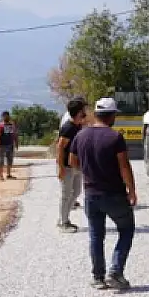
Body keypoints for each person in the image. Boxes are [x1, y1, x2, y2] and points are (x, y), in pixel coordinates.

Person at [70, 97, 137, 290]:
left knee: (96, 235)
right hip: (114, 194)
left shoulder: (80, 136)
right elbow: (124, 166)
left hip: (91, 195)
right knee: (126, 229)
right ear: (112, 115)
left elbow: (73, 162)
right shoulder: (115, 137)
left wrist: (90, 170)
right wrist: (131, 191)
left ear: (97, 114)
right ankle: (115, 271)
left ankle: (98, 278)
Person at [56, 98, 87, 233]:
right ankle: (63, 222)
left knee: (76, 192)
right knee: (66, 194)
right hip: (67, 167)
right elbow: (60, 147)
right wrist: (61, 168)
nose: (85, 112)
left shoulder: (78, 125)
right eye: (83, 110)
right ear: (79, 112)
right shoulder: (68, 128)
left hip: (76, 166)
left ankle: (64, 217)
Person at [0, 111, 17, 180]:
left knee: (9, 160)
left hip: (10, 145)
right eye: (4, 116)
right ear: (2, 117)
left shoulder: (11, 125)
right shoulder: (0, 126)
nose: (6, 117)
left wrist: (16, 143)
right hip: (2, 145)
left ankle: (8, 174)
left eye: (7, 116)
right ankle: (1, 175)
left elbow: (13, 135)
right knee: (1, 161)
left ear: (9, 116)